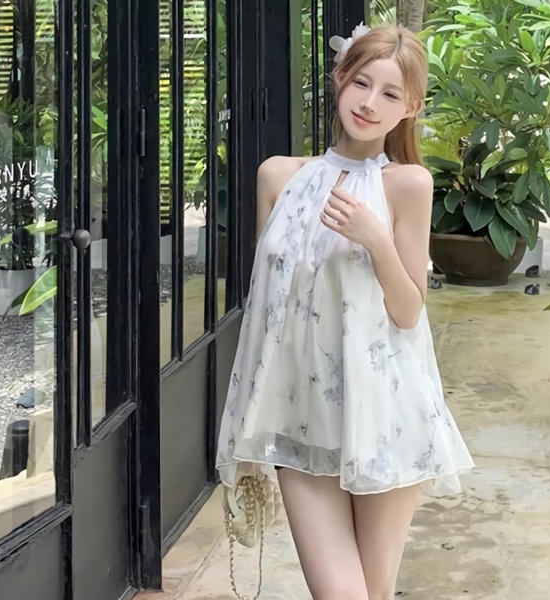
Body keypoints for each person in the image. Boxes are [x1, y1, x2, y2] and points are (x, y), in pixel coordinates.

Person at [216, 23, 475, 600]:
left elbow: (408, 313)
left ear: (410, 108)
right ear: (339, 78)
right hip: (301, 419)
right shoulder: (277, 176)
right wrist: (246, 423)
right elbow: (268, 312)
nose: (369, 103)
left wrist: (376, 239)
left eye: (390, 93)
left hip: (384, 414)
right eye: (361, 83)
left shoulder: (409, 185)